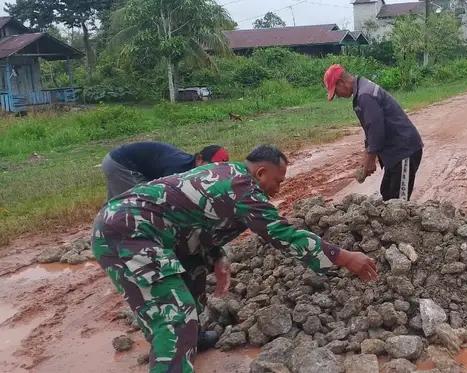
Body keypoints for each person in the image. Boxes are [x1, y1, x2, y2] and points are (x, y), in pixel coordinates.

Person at [91, 145, 378, 373]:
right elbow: (280, 233)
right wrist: (344, 257)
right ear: (262, 173)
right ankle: (175, 347)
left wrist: (217, 255)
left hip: (148, 229)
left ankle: (191, 339)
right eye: (278, 181)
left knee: (194, 273)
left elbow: (198, 221)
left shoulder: (230, 174)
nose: (279, 189)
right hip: (128, 230)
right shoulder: (243, 189)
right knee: (174, 315)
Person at [323, 64, 424, 201]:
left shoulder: (365, 95)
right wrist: (365, 158)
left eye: (336, 91)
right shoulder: (362, 90)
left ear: (341, 83)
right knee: (387, 193)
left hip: (404, 151)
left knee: (398, 203)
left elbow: (376, 130)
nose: (338, 96)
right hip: (395, 153)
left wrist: (370, 160)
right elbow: (371, 130)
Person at [101, 141, 230, 200]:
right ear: (199, 159)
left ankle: (105, 230)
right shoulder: (178, 168)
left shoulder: (188, 167)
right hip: (121, 163)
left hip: (126, 162)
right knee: (139, 201)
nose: (212, 172)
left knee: (119, 200)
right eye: (211, 166)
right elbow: (167, 198)